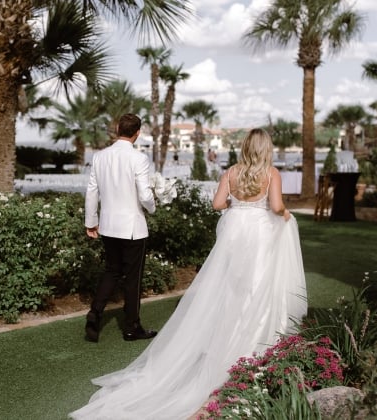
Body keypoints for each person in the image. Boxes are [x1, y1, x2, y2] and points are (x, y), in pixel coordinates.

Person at [70, 128, 307, 419]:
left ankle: (227, 339)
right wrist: (285, 215)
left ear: (245, 147)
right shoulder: (271, 173)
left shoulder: (231, 172)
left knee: (230, 287)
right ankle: (250, 343)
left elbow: (217, 204)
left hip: (235, 230)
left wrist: (237, 204)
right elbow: (277, 206)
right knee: (255, 288)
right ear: (266, 148)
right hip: (259, 232)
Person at [83, 113, 158, 343]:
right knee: (132, 278)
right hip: (132, 227)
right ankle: (131, 327)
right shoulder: (139, 158)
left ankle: (94, 314)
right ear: (137, 133)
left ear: (118, 129)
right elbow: (145, 194)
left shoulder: (100, 157)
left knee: (112, 271)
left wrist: (91, 221)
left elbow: (91, 191)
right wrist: (153, 208)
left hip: (108, 226)